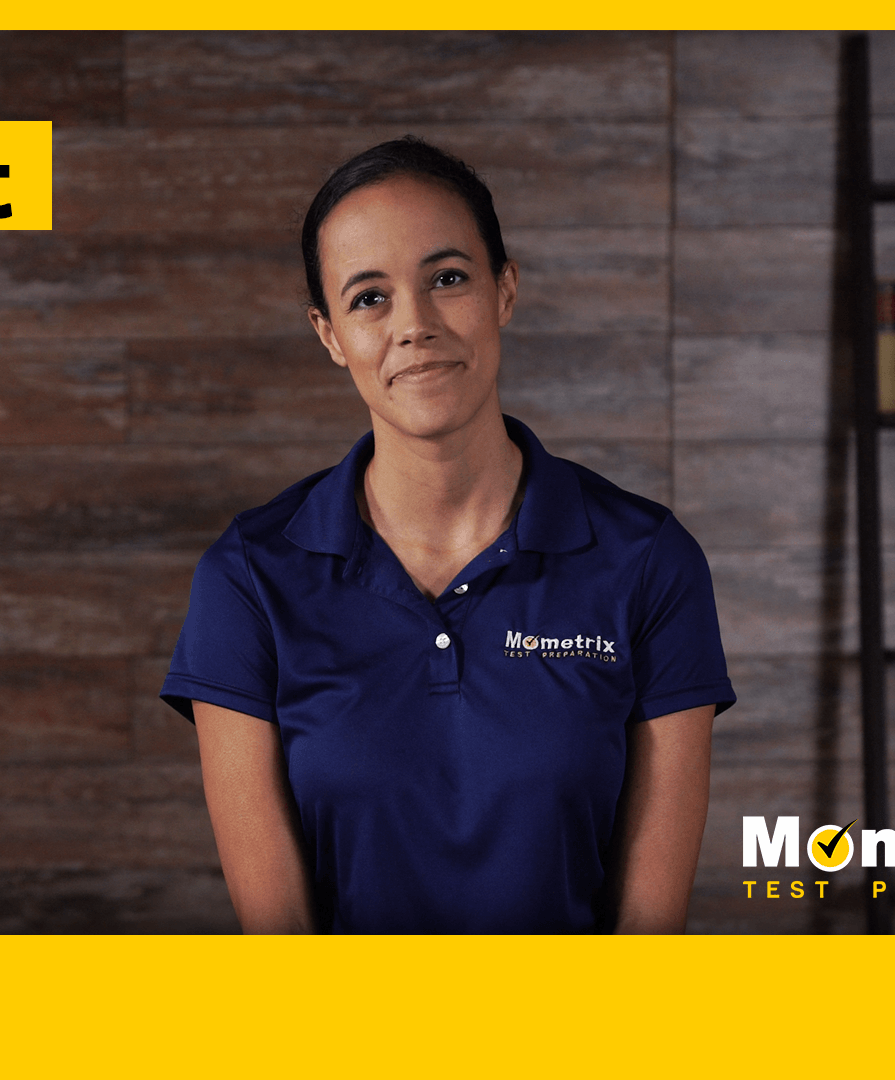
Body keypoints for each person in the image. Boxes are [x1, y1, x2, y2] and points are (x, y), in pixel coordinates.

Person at [160, 137, 735, 933]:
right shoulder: (249, 579)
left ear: (504, 290)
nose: (415, 325)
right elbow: (278, 950)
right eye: (369, 298)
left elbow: (648, 936)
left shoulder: (649, 562)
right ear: (329, 335)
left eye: (449, 279)